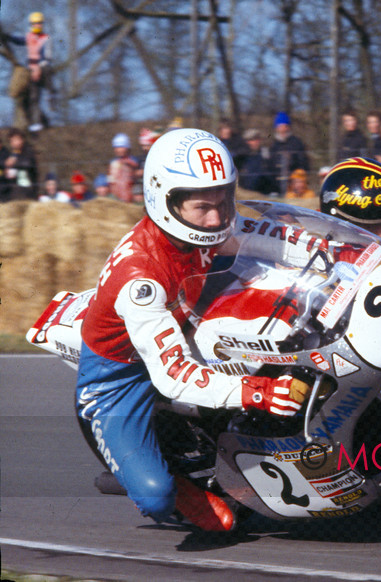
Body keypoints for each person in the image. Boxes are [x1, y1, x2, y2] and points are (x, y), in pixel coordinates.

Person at [76, 128, 312, 532]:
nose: (218, 217)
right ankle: (174, 480)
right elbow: (174, 376)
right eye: (204, 206)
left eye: (224, 201)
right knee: (157, 497)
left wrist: (339, 253)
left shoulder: (205, 226)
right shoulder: (141, 278)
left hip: (184, 325)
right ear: (166, 200)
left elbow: (269, 239)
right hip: (119, 376)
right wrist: (255, 392)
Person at [4, 12, 52, 132]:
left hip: (42, 67)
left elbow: (45, 56)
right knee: (32, 96)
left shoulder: (45, 38)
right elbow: (18, 40)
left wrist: (38, 68)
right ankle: (37, 122)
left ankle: (51, 95)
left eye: (39, 23)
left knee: (37, 93)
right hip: (31, 70)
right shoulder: (29, 37)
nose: (37, 25)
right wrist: (7, 37)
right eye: (35, 23)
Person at [269, 111, 310, 197]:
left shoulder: (296, 143)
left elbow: (303, 164)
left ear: (289, 127)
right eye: (280, 126)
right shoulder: (273, 145)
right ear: (276, 128)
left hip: (294, 186)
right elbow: (270, 166)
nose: (283, 129)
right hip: (276, 185)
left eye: (285, 126)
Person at [1, 128, 38, 200]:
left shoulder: (29, 151)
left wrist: (13, 164)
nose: (13, 143)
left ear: (22, 140)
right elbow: (7, 165)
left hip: (28, 190)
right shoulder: (13, 153)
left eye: (15, 140)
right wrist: (6, 170)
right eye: (11, 141)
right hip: (16, 191)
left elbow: (28, 164)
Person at [238, 128, 274, 195]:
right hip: (246, 194)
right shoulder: (241, 157)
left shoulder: (266, 155)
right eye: (251, 140)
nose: (255, 142)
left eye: (256, 139)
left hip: (263, 194)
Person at [108, 133, 140, 203]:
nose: (119, 150)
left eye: (122, 147)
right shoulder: (113, 163)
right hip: (116, 197)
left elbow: (136, 177)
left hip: (131, 196)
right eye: (117, 147)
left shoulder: (134, 161)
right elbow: (111, 180)